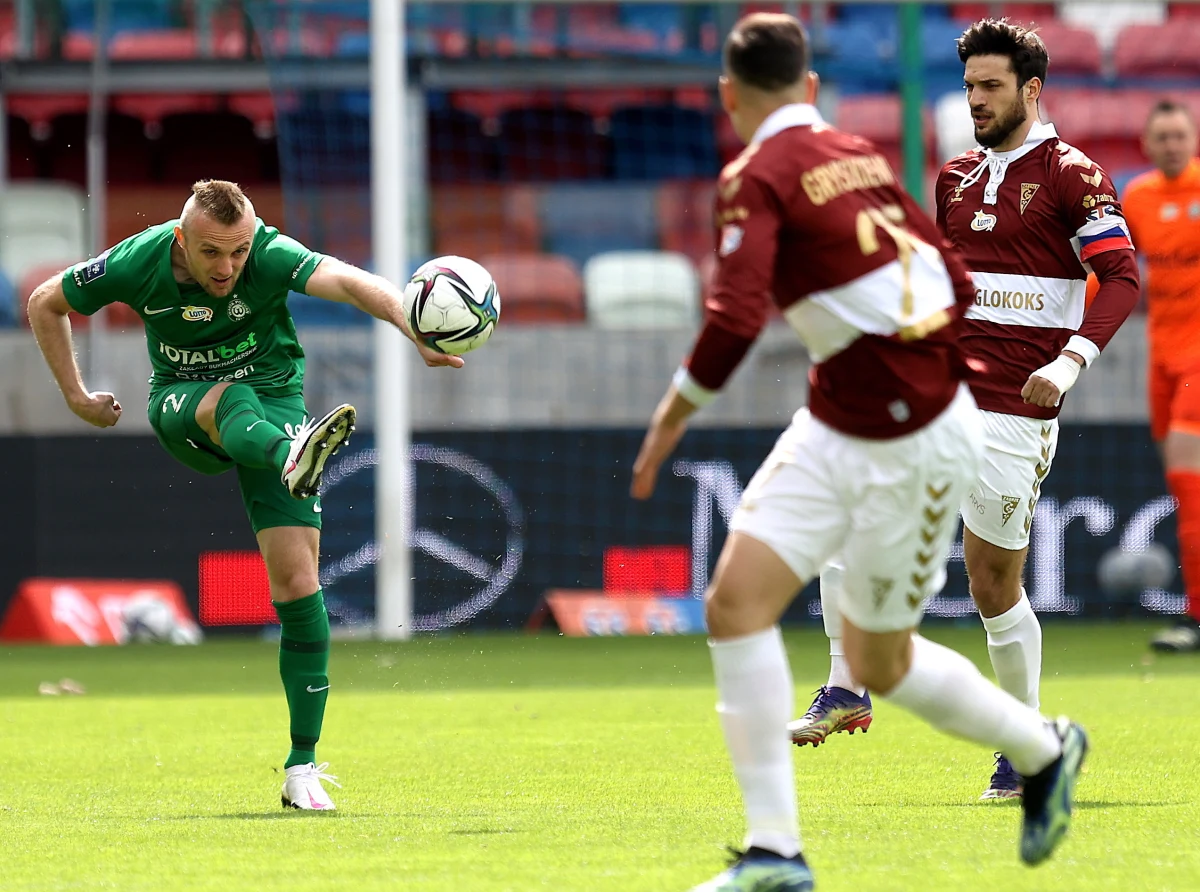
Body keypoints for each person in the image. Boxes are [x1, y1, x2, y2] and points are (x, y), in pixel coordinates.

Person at [631, 15, 1087, 890]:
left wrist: (668, 423)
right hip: (842, 419)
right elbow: (952, 280)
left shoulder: (754, 174)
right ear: (809, 91)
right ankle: (775, 855)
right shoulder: (863, 156)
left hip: (909, 436)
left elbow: (733, 317)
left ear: (729, 97)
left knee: (884, 656)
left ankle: (1040, 748)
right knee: (734, 606)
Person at [26, 179, 461, 810]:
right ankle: (293, 456)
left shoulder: (269, 252)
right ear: (182, 239)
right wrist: (76, 394)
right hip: (184, 404)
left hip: (276, 401)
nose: (228, 267)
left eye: (238, 251)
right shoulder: (138, 259)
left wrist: (410, 327)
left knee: (297, 582)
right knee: (231, 399)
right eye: (211, 254)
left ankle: (302, 767)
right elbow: (46, 302)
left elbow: (347, 281)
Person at [790, 18, 1139, 802]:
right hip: (941, 397)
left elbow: (1119, 277)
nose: (975, 99)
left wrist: (1070, 360)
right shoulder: (954, 179)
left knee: (990, 585)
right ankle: (847, 685)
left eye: (991, 86)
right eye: (969, 85)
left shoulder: (1073, 175)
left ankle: (1027, 743)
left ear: (1032, 89)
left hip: (1017, 408)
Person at [1122, 101, 1200, 653]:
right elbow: (1118, 274)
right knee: (1183, 484)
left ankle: (1196, 617)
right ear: (1146, 145)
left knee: (1186, 477)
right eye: (1162, 136)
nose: (1172, 144)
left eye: (1180, 135)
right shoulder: (1139, 197)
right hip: (1161, 360)